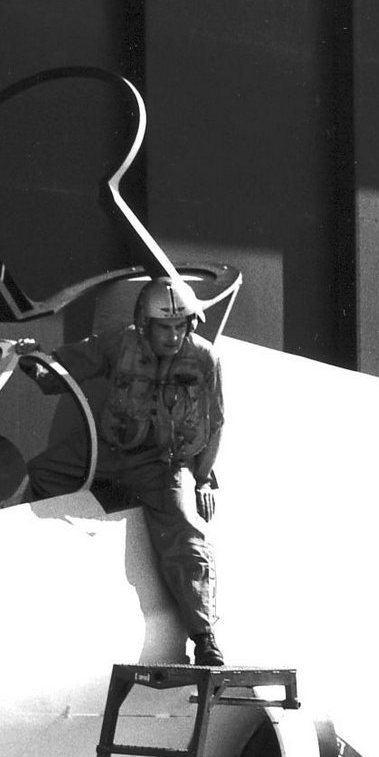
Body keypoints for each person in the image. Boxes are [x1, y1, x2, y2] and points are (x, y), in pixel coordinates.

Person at [22, 276, 226, 667]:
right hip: (110, 451)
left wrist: (203, 478)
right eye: (164, 327)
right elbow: (68, 367)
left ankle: (204, 637)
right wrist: (34, 363)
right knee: (43, 473)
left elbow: (215, 422)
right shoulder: (120, 342)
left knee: (185, 533)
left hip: (163, 464)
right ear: (146, 325)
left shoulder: (205, 358)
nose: (172, 336)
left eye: (179, 326)